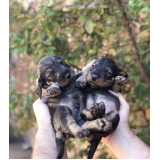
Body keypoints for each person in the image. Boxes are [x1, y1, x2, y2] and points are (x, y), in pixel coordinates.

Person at [31, 91, 150, 159]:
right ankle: (86, 124)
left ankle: (88, 123)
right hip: (74, 118)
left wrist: (46, 129)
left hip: (86, 116)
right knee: (65, 112)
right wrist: (47, 128)